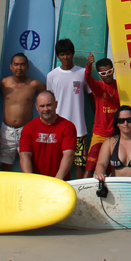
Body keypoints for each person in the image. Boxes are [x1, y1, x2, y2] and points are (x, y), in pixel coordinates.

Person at [45, 39, 88, 179]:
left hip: (79, 128)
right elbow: (49, 101)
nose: (65, 57)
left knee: (80, 163)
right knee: (58, 163)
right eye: (62, 54)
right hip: (58, 128)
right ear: (58, 56)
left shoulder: (82, 73)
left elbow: (92, 97)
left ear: (73, 54)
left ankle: (80, 192)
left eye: (68, 54)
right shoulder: (51, 76)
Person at [0, 52, 45, 171]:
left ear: (27, 67)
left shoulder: (34, 84)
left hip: (26, 129)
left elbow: (49, 97)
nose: (19, 68)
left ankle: (29, 187)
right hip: (7, 130)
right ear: (11, 66)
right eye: (16, 64)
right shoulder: (3, 83)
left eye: (22, 65)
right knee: (5, 166)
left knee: (27, 161)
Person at [19, 91, 78, 180]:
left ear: (56, 104)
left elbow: (68, 155)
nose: (45, 109)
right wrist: (30, 180)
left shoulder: (68, 126)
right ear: (36, 107)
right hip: (36, 181)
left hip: (59, 181)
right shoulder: (28, 127)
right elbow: (25, 155)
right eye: (42, 106)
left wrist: (58, 179)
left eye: (49, 105)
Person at [83, 55, 121, 177]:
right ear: (99, 74)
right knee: (90, 167)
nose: (107, 75)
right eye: (103, 73)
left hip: (116, 136)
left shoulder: (120, 86)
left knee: (112, 169)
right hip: (99, 135)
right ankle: (82, 193)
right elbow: (87, 79)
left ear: (113, 70)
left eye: (109, 71)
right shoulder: (98, 87)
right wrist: (89, 66)